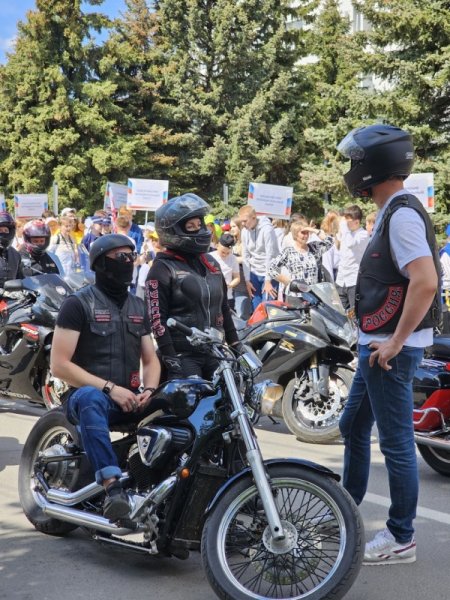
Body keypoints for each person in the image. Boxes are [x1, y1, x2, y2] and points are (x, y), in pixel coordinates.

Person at [337, 124, 441, 565]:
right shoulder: (395, 209)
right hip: (377, 346)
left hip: (387, 353)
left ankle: (401, 537)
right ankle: (344, 508)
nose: (350, 169)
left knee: (396, 443)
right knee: (352, 427)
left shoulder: (400, 215)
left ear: (372, 166)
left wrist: (396, 342)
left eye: (354, 161)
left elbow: (426, 281)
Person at [50, 234, 161, 520]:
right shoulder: (78, 304)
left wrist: (149, 389)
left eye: (131, 256)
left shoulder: (138, 306)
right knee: (90, 398)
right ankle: (113, 488)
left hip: (132, 398)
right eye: (121, 257)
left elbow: (150, 359)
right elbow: (59, 365)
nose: (129, 262)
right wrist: (111, 389)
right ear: (101, 264)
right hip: (89, 397)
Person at [145, 193, 240, 380]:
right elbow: (157, 320)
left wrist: (236, 345)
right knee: (194, 403)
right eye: (190, 227)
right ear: (173, 232)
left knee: (231, 398)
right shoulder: (162, 269)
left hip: (214, 352)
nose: (199, 230)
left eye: (199, 225)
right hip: (183, 355)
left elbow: (223, 309)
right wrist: (171, 359)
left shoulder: (211, 263)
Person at [268, 219, 334, 301]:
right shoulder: (288, 252)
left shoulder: (314, 248)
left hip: (313, 295)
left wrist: (312, 230)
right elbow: (271, 269)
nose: (306, 235)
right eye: (303, 233)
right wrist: (286, 280)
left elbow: (330, 241)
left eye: (307, 233)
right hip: (295, 297)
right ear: (295, 234)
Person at [238, 205, 280, 310]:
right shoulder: (244, 231)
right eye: (241, 221)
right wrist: (247, 280)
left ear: (253, 217)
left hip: (269, 273)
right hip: (254, 273)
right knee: (256, 309)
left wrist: (268, 280)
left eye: (245, 221)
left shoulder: (267, 230)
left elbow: (271, 256)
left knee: (268, 308)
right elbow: (246, 255)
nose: (243, 224)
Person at [334, 204, 369, 312]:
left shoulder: (363, 234)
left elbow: (350, 243)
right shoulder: (346, 233)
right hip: (341, 280)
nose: (345, 224)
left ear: (357, 222)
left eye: (348, 221)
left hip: (354, 281)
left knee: (355, 314)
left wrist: (345, 228)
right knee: (340, 313)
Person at [210, 233, 240, 310]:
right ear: (217, 246)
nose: (225, 255)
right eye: (222, 252)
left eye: (228, 253)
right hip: (212, 297)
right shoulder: (209, 257)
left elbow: (237, 278)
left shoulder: (233, 259)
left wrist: (228, 286)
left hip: (227, 297)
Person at [0, 212, 24, 286]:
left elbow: (20, 279)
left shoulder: (15, 255)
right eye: (0, 230)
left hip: (11, 297)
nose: (3, 233)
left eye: (6, 230)